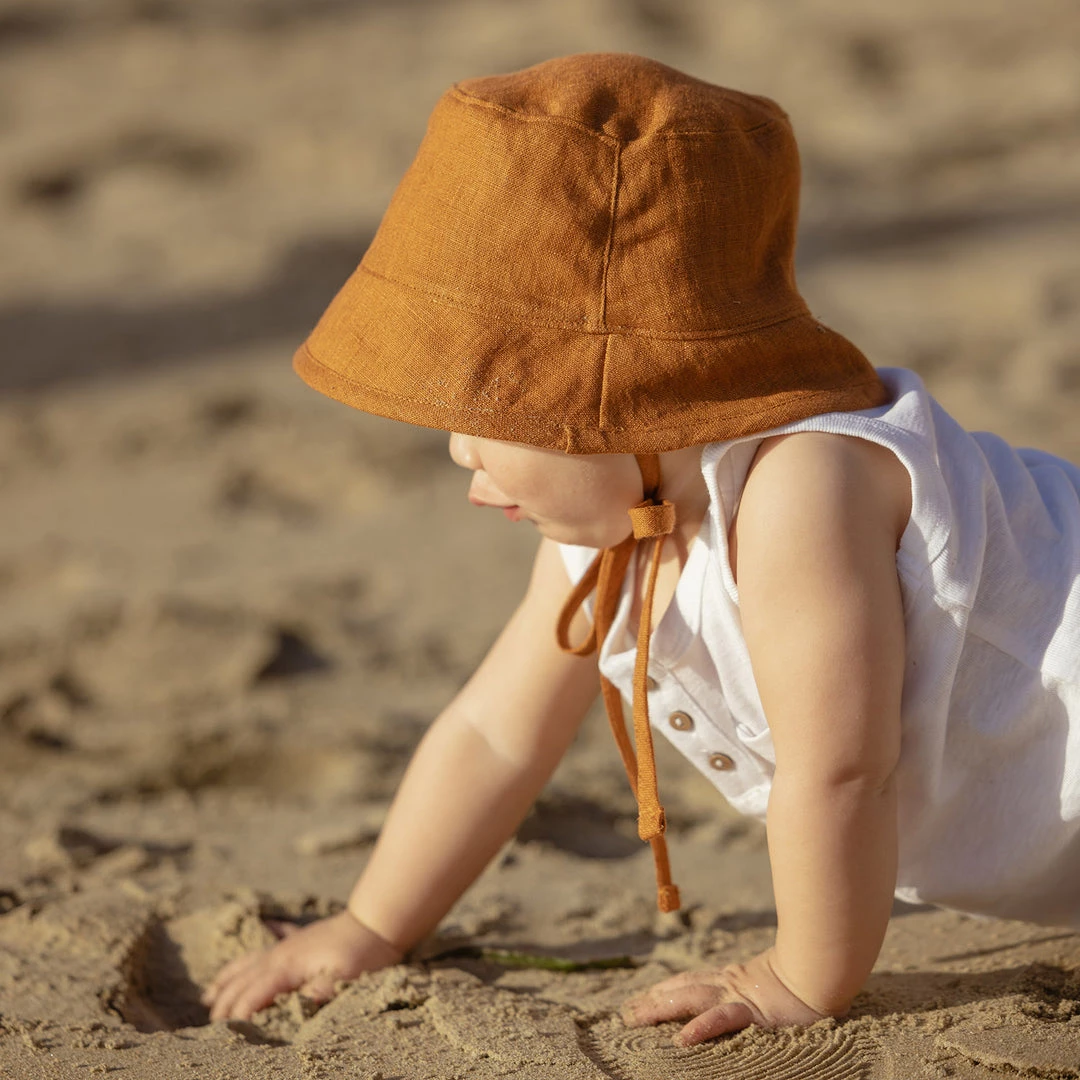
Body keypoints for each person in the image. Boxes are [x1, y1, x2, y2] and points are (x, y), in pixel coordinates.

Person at [202, 53, 1080, 1045]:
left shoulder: (804, 485)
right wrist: (369, 925)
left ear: (633, 404)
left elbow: (840, 771)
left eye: (492, 414)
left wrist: (801, 978)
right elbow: (497, 733)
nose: (458, 452)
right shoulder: (616, 524)